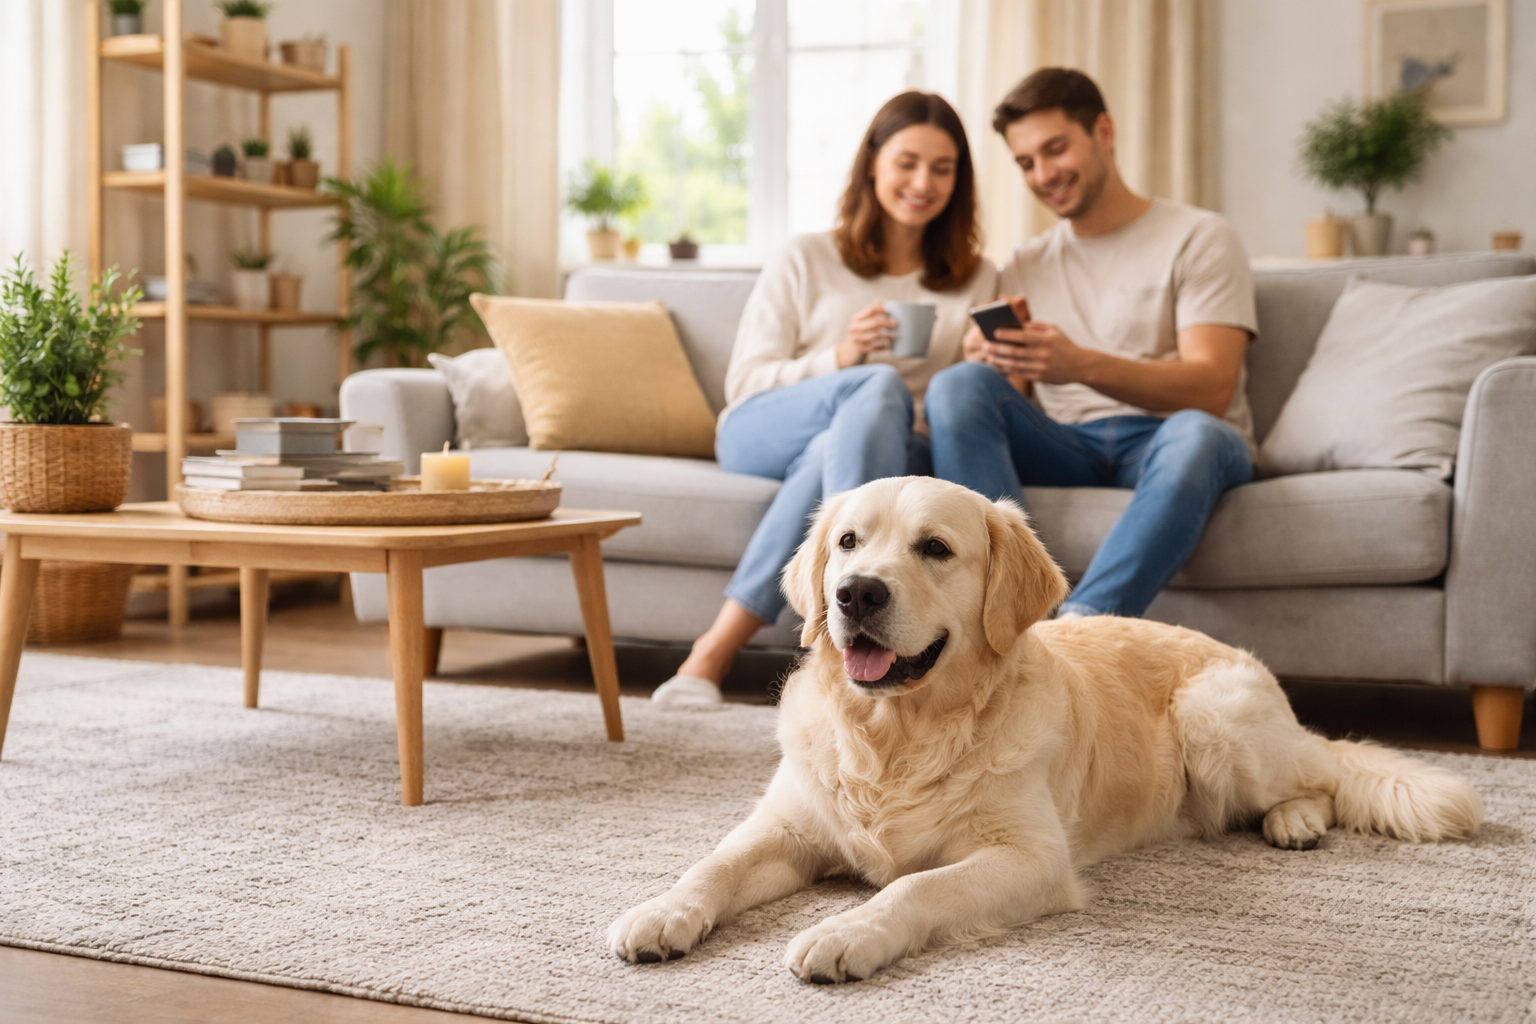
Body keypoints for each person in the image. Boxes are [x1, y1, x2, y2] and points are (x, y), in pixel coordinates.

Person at [652, 91, 998, 708]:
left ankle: (713, 655)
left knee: (835, 447)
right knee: (877, 385)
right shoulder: (807, 256)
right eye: (907, 162)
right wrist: (841, 358)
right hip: (765, 425)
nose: (923, 182)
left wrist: (984, 362)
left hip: (875, 446)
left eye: (943, 169)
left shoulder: (976, 276)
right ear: (872, 164)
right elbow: (746, 382)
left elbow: (958, 402)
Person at [925, 68, 1257, 620]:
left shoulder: (1200, 238)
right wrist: (993, 362)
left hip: (1169, 437)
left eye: (1055, 150)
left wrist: (1079, 364)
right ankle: (1010, 610)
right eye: (1026, 162)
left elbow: (1213, 388)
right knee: (958, 384)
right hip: (1067, 444)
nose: (1043, 174)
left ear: (1103, 133)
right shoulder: (1026, 263)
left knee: (1202, 433)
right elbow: (1011, 398)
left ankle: (1075, 632)